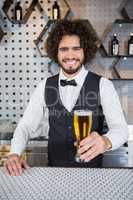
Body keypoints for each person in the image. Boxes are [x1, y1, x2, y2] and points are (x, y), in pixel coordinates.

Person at [4, 19, 128, 175]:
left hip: (92, 174)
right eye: (64, 49)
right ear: (56, 52)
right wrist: (15, 153)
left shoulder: (103, 85)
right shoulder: (44, 85)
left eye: (76, 48)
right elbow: (26, 126)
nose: (70, 55)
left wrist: (106, 141)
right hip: (54, 174)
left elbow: (121, 129)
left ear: (85, 51)